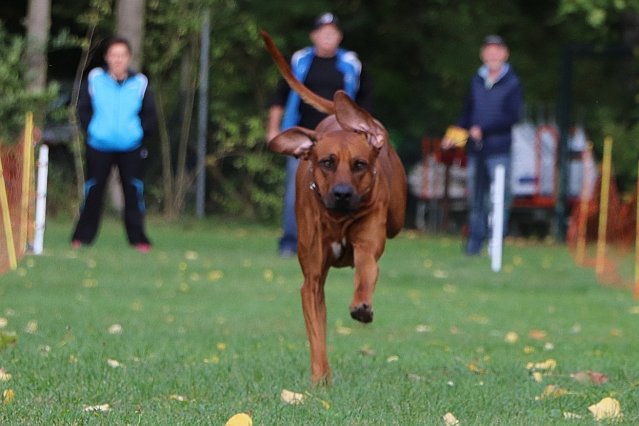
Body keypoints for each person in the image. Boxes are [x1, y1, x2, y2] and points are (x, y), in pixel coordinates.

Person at [266, 12, 373, 257]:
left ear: (339, 37)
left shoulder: (351, 63)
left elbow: (366, 100)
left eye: (333, 32)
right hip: (306, 139)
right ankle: (291, 241)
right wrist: (273, 129)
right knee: (297, 191)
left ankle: (343, 241)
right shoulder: (300, 61)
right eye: (323, 32)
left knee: (342, 188)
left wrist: (363, 133)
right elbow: (280, 96)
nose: (328, 36)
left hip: (342, 141)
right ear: (313, 36)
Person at [71, 36, 157, 252]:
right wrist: (93, 130)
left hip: (131, 147)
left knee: (133, 193)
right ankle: (82, 238)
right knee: (93, 192)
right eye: (114, 55)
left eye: (122, 55)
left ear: (129, 58)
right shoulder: (95, 79)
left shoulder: (140, 83)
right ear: (107, 57)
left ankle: (139, 240)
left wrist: (137, 134)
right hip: (99, 145)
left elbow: (150, 115)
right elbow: (82, 109)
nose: (118, 60)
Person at [443, 35, 523, 255]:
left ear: (505, 54)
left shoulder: (513, 83)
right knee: (476, 198)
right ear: (483, 54)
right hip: (476, 150)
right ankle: (474, 243)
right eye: (489, 50)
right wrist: (454, 134)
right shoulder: (476, 81)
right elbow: (467, 114)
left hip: (499, 150)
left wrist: (483, 129)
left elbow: (512, 116)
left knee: (498, 199)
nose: (492, 54)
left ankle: (495, 242)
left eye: (497, 50)